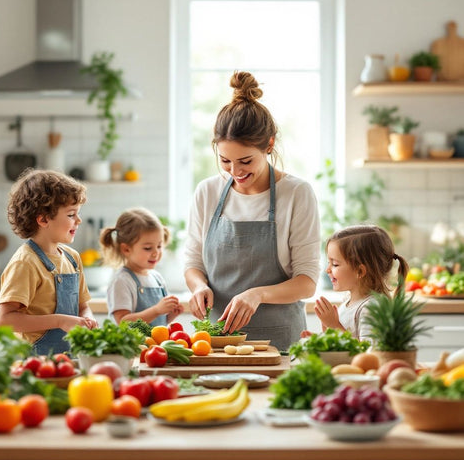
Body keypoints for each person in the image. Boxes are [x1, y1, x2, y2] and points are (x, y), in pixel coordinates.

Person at [184, 71, 321, 351]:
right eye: (225, 161)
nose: (235, 172)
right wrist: (198, 287)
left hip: (280, 343)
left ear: (269, 144)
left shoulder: (296, 193)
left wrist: (258, 294)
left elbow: (307, 283)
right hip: (216, 341)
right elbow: (193, 263)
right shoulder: (207, 192)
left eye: (245, 161)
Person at [0, 169, 98, 355]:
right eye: (71, 215)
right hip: (35, 363)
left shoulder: (72, 258)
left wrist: (87, 319)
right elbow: (4, 320)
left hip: (69, 359)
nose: (79, 220)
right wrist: (59, 321)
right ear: (43, 219)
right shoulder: (25, 262)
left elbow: (83, 306)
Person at [313, 224, 409, 341]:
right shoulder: (349, 302)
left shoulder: (373, 308)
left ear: (360, 271)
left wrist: (334, 326)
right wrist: (325, 335)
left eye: (335, 264)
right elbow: (343, 346)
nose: (327, 270)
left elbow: (368, 354)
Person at [100, 207, 183, 326]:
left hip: (155, 344)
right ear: (126, 249)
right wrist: (156, 310)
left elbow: (156, 323)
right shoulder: (122, 281)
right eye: (148, 248)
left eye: (159, 246)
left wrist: (170, 314)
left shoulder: (157, 278)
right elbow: (123, 321)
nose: (156, 253)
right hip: (133, 345)